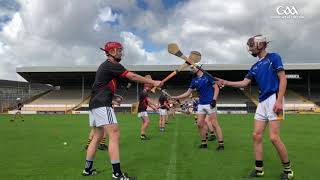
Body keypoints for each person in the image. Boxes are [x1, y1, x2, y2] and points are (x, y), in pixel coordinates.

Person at [216, 35, 294, 180]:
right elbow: (244, 83)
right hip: (262, 102)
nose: (250, 48)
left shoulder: (273, 57)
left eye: (252, 45)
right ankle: (259, 170)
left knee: (274, 138)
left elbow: (283, 78)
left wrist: (278, 101)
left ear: (260, 44)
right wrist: (225, 81)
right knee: (256, 135)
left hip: (274, 98)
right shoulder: (254, 66)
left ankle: (288, 171)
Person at [82, 41, 162, 180]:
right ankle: (117, 174)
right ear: (111, 52)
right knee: (114, 135)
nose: (121, 53)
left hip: (95, 104)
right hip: (102, 105)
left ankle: (87, 170)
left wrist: (113, 97)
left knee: (97, 137)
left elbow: (98, 88)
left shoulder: (105, 67)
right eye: (119, 50)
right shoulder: (111, 64)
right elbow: (132, 76)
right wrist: (153, 82)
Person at [172, 63, 224, 151]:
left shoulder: (208, 76)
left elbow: (216, 88)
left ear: (198, 67)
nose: (191, 69)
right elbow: (188, 93)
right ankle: (204, 143)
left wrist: (214, 100)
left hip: (210, 103)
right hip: (201, 104)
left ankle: (221, 144)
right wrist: (176, 97)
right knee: (199, 124)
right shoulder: (194, 80)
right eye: (190, 68)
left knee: (215, 124)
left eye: (192, 67)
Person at [137, 75, 159, 140]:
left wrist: (153, 107)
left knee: (144, 122)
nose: (151, 87)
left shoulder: (145, 92)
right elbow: (148, 100)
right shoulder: (144, 92)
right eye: (150, 85)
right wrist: (155, 105)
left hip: (142, 109)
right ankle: (142, 135)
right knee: (147, 121)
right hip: (142, 109)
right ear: (147, 85)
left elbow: (147, 102)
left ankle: (143, 135)